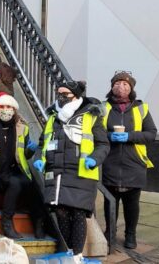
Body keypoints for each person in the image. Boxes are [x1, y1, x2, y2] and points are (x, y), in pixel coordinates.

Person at [32, 81, 109, 262]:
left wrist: (94, 159)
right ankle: (70, 252)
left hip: (81, 172)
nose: (61, 97)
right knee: (60, 212)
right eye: (58, 93)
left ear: (75, 95)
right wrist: (38, 159)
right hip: (56, 172)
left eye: (65, 94)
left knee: (78, 212)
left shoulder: (91, 114)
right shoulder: (53, 116)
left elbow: (103, 144)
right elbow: (43, 143)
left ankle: (77, 255)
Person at [0, 93, 44, 239]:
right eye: (2, 106)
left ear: (14, 109)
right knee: (16, 182)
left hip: (13, 170)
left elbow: (25, 154)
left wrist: (30, 149)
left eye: (9, 107)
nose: (6, 110)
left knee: (31, 184)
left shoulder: (22, 128)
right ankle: (6, 223)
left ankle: (38, 222)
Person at [101, 71, 157, 249]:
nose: (121, 86)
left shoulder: (141, 109)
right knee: (110, 200)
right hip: (110, 161)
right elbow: (95, 132)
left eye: (125, 84)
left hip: (134, 163)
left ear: (131, 88)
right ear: (111, 87)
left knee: (132, 203)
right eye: (117, 83)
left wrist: (129, 136)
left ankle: (130, 235)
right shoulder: (103, 108)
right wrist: (110, 135)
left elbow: (151, 134)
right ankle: (110, 232)